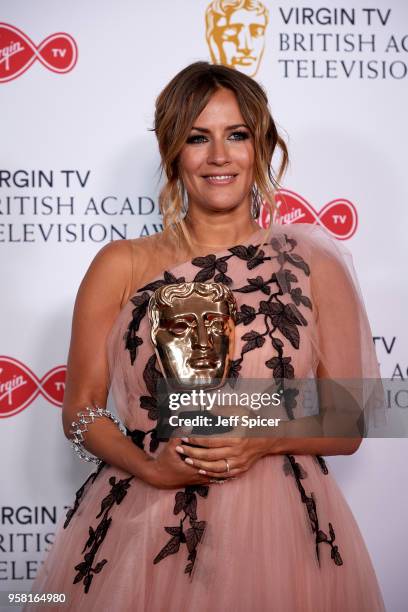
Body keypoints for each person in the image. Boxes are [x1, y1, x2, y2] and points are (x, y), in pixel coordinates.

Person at [25, 61, 386, 612]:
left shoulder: (312, 265)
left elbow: (350, 418)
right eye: (198, 137)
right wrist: (148, 466)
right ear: (174, 153)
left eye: (236, 135)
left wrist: (263, 437)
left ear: (261, 147)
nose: (219, 156)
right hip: (147, 517)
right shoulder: (121, 264)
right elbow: (80, 410)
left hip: (283, 524)